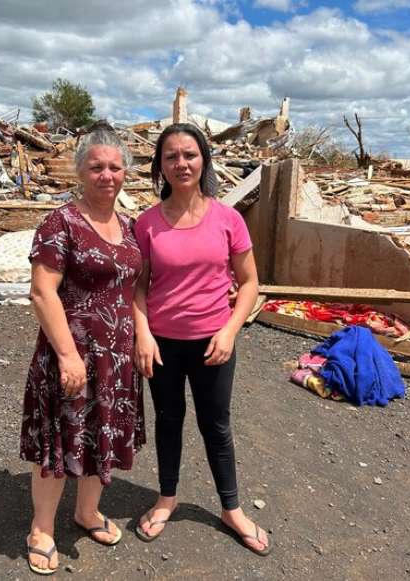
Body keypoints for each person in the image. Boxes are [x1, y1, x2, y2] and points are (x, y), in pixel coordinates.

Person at [133, 123, 270, 556]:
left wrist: (229, 330)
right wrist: (142, 334)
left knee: (216, 424)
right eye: (171, 156)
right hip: (163, 344)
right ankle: (166, 498)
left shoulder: (228, 219)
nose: (181, 163)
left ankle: (231, 509)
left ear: (204, 160)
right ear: (160, 166)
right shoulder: (147, 224)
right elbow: (138, 286)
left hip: (214, 342)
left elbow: (250, 284)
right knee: (168, 419)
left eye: (189, 154)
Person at [20, 128, 145, 575]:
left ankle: (86, 512)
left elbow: (133, 289)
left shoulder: (129, 227)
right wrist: (69, 355)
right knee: (59, 441)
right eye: (96, 167)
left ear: (125, 172)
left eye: (114, 167)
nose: (106, 175)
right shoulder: (61, 223)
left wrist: (142, 336)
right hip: (71, 354)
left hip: (116, 359)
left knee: (100, 434)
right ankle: (41, 529)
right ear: (80, 171)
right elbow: (42, 292)